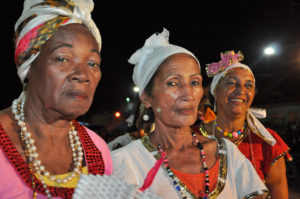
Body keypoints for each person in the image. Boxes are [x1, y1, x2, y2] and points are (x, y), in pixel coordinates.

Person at [111, 28, 268, 199]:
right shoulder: (125, 163)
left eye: (194, 82)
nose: (188, 94)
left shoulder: (228, 154)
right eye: (172, 83)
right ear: (147, 98)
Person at [0, 0, 112, 198]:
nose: (82, 74)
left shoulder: (99, 151)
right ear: (28, 66)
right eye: (62, 58)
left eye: (92, 63)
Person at [201, 50, 292, 199]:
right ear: (215, 91)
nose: (241, 91)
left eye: (248, 85)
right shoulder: (192, 136)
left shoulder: (267, 142)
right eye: (231, 83)